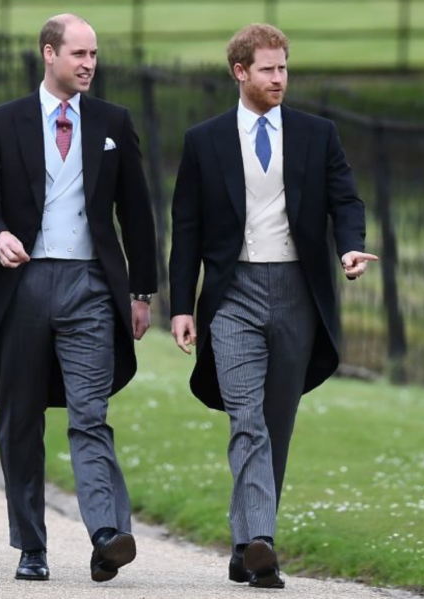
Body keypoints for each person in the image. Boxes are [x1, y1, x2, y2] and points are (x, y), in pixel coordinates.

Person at [169, 23, 377, 589]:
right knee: (248, 420)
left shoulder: (317, 133)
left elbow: (345, 198)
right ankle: (263, 542)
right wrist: (181, 304)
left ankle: (245, 548)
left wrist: (350, 247)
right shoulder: (204, 140)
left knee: (276, 424)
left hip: (297, 295)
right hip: (232, 296)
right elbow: (185, 227)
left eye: (284, 67)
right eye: (268, 69)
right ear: (241, 72)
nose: (279, 78)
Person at [0, 14, 157, 583]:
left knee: (91, 415)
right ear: (49, 54)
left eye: (94, 54)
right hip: (22, 288)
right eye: (79, 54)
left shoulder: (113, 122)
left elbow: (136, 213)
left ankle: (107, 534)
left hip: (92, 287)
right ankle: (31, 547)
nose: (90, 64)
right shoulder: (4, 121)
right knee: (20, 419)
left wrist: (142, 291)